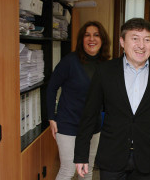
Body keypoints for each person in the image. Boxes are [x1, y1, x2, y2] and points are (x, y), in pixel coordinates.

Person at [74, 18, 150, 180]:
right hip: (112, 155)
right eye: (135, 38)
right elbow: (89, 114)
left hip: (146, 157)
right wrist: (81, 155)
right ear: (122, 41)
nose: (141, 45)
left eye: (147, 39)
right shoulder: (105, 71)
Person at [47, 21, 111, 180]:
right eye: (87, 35)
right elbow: (51, 88)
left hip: (93, 126)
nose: (92, 39)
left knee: (87, 171)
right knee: (68, 170)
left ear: (102, 39)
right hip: (69, 124)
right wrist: (51, 117)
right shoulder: (70, 61)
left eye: (96, 35)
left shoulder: (105, 65)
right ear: (81, 39)